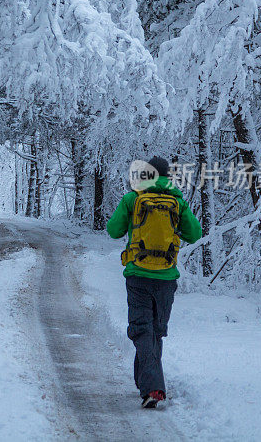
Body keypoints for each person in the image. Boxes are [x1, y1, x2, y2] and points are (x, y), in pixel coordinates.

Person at [106, 156, 202, 409]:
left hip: (138, 275)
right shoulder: (177, 202)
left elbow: (113, 230)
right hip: (166, 278)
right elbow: (195, 234)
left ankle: (153, 388)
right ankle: (146, 385)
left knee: (142, 329)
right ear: (168, 177)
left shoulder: (133, 199)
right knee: (153, 331)